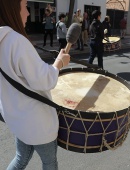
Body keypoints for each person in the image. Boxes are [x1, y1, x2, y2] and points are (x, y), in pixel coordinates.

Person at [0, 0, 70, 169]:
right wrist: (59, 63)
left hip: (17, 119)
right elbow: (44, 80)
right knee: (49, 162)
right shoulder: (16, 41)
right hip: (37, 122)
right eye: (24, 7)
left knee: (20, 158)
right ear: (12, 9)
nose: (28, 13)